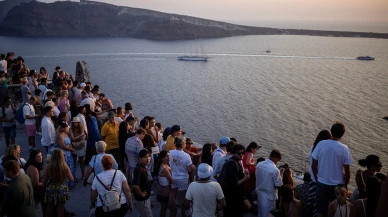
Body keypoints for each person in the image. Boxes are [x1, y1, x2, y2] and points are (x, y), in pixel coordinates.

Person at [312, 122, 353, 217]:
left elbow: (314, 165)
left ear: (331, 131)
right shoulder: (344, 148)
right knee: (336, 211)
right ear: (342, 134)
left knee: (320, 212)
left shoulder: (321, 144)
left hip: (321, 182)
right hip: (338, 185)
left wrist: (317, 179)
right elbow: (347, 172)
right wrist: (345, 185)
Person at [219, 144, 250, 217]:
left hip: (231, 195)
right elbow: (233, 184)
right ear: (234, 153)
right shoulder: (233, 164)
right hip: (232, 197)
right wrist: (245, 178)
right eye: (239, 153)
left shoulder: (234, 161)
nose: (241, 155)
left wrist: (243, 174)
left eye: (243, 153)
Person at [306, 129, 332, 217]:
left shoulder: (313, 146)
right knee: (318, 205)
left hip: (312, 179)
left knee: (310, 202)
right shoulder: (323, 149)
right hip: (320, 180)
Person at [42, 149, 74, 217]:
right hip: (62, 189)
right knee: (60, 209)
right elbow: (72, 179)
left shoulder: (48, 166)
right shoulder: (64, 166)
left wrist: (43, 188)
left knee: (49, 208)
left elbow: (44, 180)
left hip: (51, 189)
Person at [169, 136, 195, 217]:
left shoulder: (170, 152)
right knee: (181, 198)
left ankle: (172, 212)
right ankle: (183, 214)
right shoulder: (186, 155)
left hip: (173, 177)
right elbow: (190, 169)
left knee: (172, 196)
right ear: (183, 144)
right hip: (183, 179)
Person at [255, 149, 284, 217]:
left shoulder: (259, 164)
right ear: (275, 158)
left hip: (259, 194)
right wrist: (281, 174)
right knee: (268, 214)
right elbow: (278, 186)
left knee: (260, 213)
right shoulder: (275, 170)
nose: (276, 163)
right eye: (277, 160)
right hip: (269, 197)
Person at [50, 121, 76, 187]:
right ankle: (66, 183)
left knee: (70, 167)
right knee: (64, 168)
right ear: (62, 128)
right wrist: (72, 149)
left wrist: (71, 147)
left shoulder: (65, 133)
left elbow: (69, 142)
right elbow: (63, 146)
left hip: (68, 154)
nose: (67, 128)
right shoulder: (59, 135)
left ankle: (71, 181)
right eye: (66, 127)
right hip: (62, 154)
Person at [132, 149, 153, 217]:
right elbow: (135, 186)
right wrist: (142, 194)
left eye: (149, 156)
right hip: (143, 200)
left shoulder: (144, 167)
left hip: (145, 199)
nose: (148, 159)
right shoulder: (139, 169)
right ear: (139, 158)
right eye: (145, 157)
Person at [24, 149, 44, 215]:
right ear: (33, 158)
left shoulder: (35, 166)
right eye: (38, 156)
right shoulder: (33, 169)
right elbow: (36, 184)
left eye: (41, 155)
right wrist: (46, 183)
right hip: (35, 193)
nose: (40, 158)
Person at [155, 150, 174, 217]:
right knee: (168, 209)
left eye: (169, 156)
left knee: (163, 208)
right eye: (166, 156)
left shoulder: (163, 165)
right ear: (162, 158)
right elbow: (172, 180)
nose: (168, 157)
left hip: (161, 189)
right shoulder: (164, 169)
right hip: (166, 191)